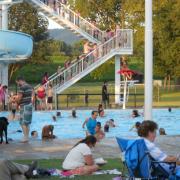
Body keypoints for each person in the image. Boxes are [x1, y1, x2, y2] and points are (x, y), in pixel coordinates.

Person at [15, 76, 33, 143]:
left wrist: (16, 101)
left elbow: (19, 98)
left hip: (24, 106)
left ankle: (25, 137)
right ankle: (27, 137)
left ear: (20, 81)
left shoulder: (22, 87)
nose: (18, 84)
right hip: (29, 105)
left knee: (22, 122)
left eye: (17, 83)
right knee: (27, 123)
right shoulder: (30, 86)